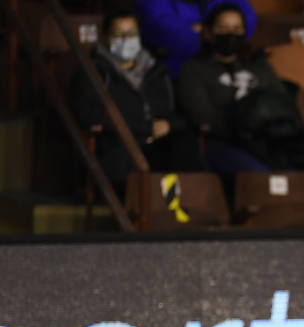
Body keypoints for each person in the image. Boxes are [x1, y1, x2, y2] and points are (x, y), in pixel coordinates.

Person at [177, 3, 304, 181]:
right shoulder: (193, 70)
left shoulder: (258, 65)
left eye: (237, 29)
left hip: (269, 141)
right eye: (223, 28)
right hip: (225, 143)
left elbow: (282, 103)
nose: (230, 34)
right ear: (209, 32)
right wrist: (246, 121)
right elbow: (204, 117)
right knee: (265, 177)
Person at [70, 5, 204, 195]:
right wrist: (144, 127)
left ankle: (190, 212)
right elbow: (87, 114)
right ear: (106, 37)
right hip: (119, 146)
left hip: (156, 143)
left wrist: (168, 124)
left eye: (132, 33)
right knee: (125, 164)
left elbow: (181, 112)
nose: (126, 39)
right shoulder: (93, 71)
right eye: (118, 33)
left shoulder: (157, 71)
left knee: (185, 146)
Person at [135, 0, 255, 77]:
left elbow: (248, 22)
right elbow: (176, 37)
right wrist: (213, 29)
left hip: (224, 70)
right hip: (174, 76)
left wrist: (204, 29)